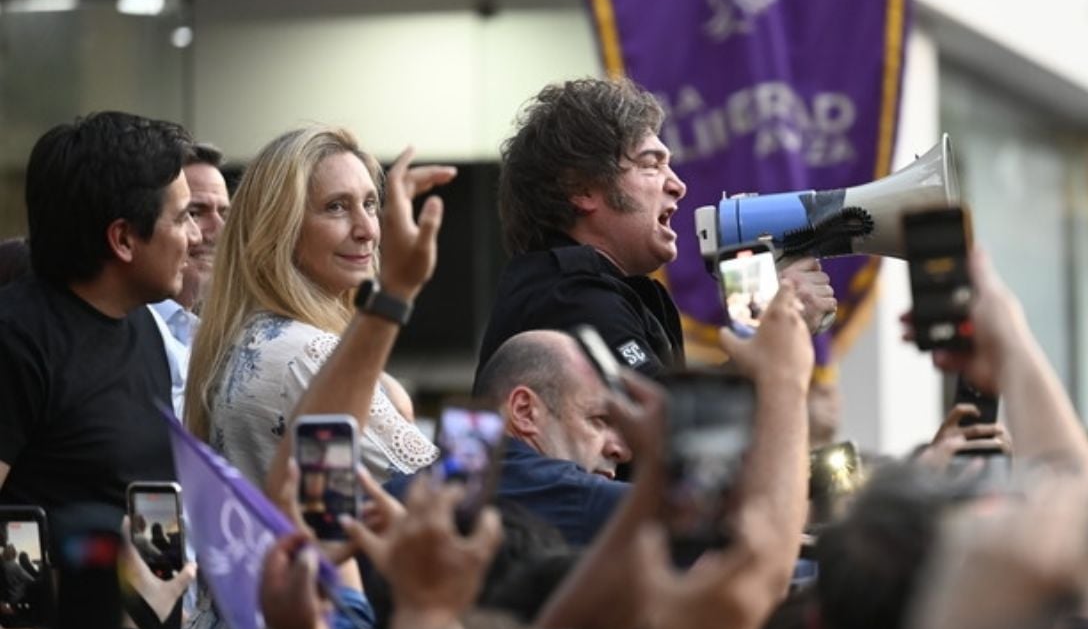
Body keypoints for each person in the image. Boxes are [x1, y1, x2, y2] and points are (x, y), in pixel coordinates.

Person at [476, 77, 836, 379]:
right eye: (651, 165)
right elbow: (672, 433)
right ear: (581, 189)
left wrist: (765, 320)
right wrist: (780, 330)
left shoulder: (589, 292)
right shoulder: (571, 300)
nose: (678, 185)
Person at [185, 126, 451, 486]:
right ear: (281, 229)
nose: (367, 230)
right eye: (336, 207)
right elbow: (443, 489)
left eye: (369, 204)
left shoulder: (245, 335)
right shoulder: (309, 352)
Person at [0, 111, 196, 528]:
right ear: (123, 239)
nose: (195, 237)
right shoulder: (16, 342)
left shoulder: (146, 324)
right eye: (181, 218)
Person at [471, 330, 634, 545]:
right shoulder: (581, 499)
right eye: (599, 419)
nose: (622, 451)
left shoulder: (434, 485)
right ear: (524, 411)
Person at [148, 143, 231, 417]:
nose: (218, 229)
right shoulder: (127, 329)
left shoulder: (227, 329)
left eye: (225, 214)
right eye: (192, 213)